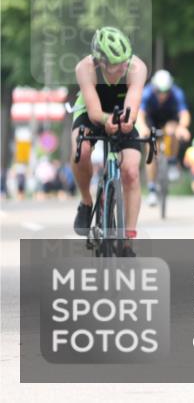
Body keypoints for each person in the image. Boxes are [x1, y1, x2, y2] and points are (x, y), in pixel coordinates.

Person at [69, 26, 148, 256]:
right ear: (100, 61)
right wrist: (106, 120)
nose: (123, 67)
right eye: (116, 64)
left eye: (125, 61)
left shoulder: (137, 67)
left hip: (122, 111)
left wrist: (127, 120)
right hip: (92, 111)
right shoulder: (85, 68)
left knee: (131, 171)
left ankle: (127, 241)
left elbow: (132, 104)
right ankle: (86, 201)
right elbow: (94, 112)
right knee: (81, 149)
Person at [137, 69, 191, 207]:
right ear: (154, 88)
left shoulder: (177, 93)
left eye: (166, 91)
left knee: (173, 130)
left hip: (169, 119)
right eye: (159, 91)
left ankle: (172, 161)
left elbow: (184, 114)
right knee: (151, 148)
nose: (162, 95)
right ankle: (152, 189)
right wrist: (143, 128)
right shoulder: (147, 93)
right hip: (152, 120)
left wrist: (183, 127)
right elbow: (140, 114)